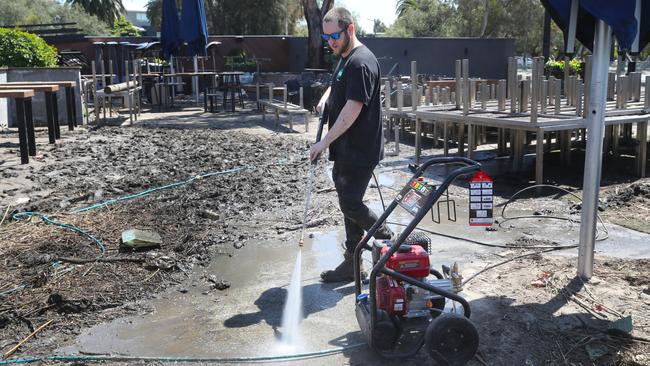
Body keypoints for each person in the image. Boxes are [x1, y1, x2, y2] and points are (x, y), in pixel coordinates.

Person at [309, 7, 393, 283]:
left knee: (350, 203)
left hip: (360, 149)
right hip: (346, 148)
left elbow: (352, 109)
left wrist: (323, 142)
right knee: (348, 204)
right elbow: (339, 86)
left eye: (335, 35)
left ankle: (386, 235)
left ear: (350, 29)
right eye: (327, 37)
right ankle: (353, 265)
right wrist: (327, 96)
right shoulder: (346, 58)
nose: (331, 41)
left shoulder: (361, 62)